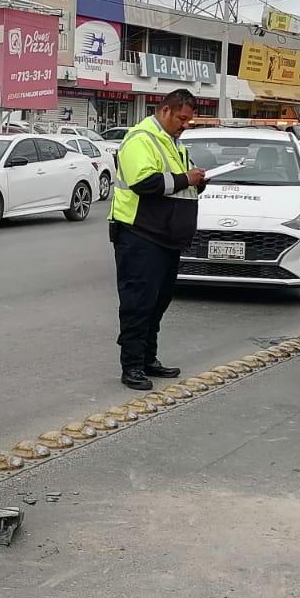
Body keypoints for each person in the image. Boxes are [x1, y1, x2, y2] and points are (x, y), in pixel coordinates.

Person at [109, 89, 206, 391]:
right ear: (165, 111)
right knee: (139, 303)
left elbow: (176, 185)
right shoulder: (142, 139)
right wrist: (186, 179)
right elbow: (144, 182)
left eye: (188, 120)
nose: (185, 124)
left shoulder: (173, 143)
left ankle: (148, 358)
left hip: (165, 236)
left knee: (157, 303)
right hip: (140, 234)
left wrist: (197, 183)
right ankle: (132, 366)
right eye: (182, 118)